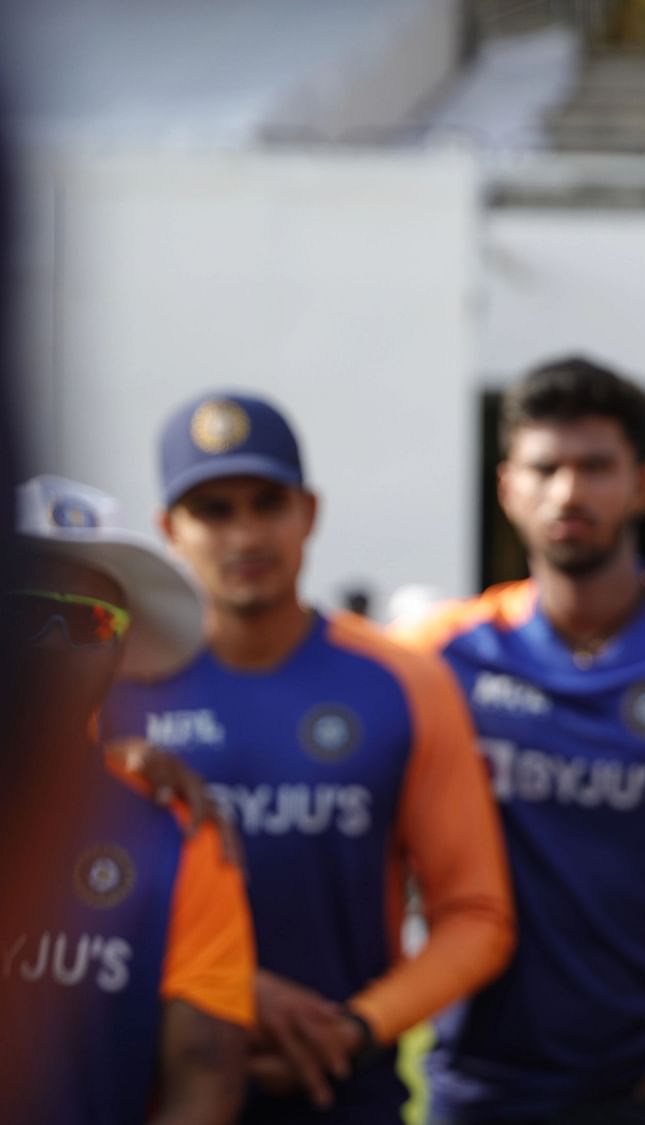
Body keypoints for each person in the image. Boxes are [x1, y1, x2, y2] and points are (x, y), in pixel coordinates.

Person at [103, 392, 516, 1122]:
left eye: (268, 502)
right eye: (214, 510)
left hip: (342, 1087)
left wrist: (356, 1026)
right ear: (169, 529)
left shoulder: (403, 681)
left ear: (311, 512)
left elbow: (477, 915)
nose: (246, 533)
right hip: (157, 1090)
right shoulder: (114, 684)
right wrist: (229, 988)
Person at [396, 358, 645, 1122]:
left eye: (597, 466)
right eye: (546, 468)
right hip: (485, 1081)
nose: (569, 491)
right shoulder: (437, 657)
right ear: (508, 488)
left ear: (643, 484)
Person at [2, 475, 254, 1125]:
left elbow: (207, 1076)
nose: (54, 641)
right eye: (26, 610)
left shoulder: (178, 835)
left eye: (90, 620)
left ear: (120, 651)